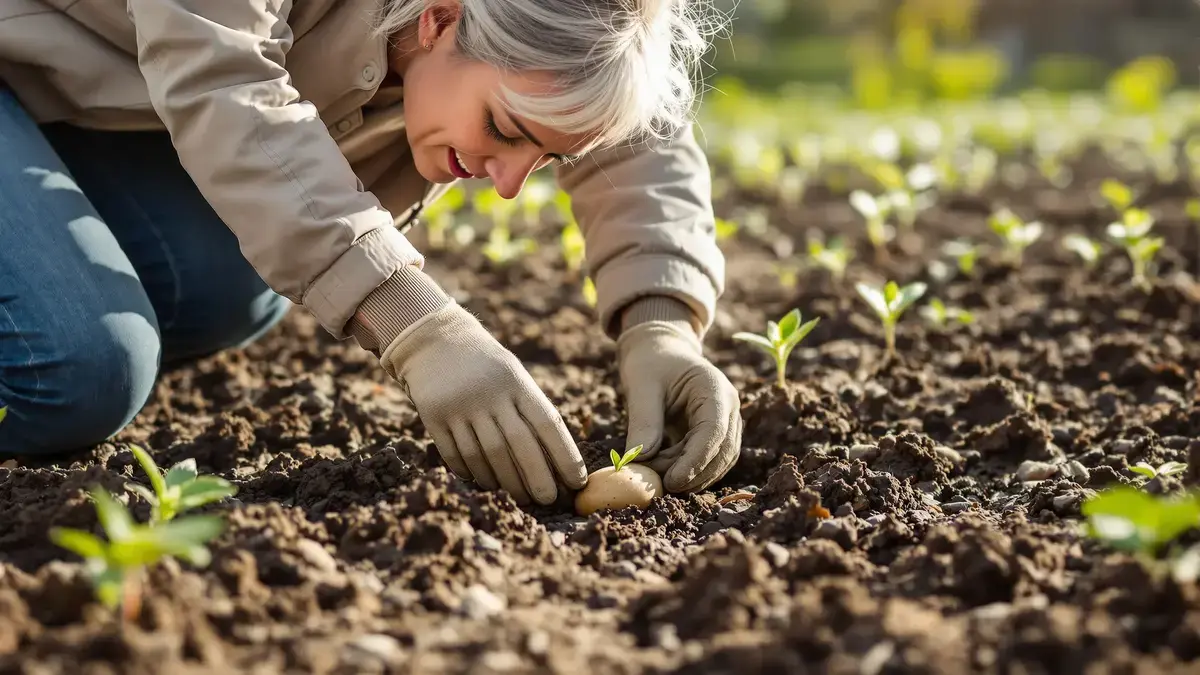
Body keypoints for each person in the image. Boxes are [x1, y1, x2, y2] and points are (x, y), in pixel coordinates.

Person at [0, 0, 743, 505]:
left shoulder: (525, 24)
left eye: (543, 158)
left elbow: (620, 106)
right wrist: (412, 321)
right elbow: (221, 77)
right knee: (76, 372)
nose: (509, 185)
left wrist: (660, 322)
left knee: (227, 282)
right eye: (504, 128)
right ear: (440, 18)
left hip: (61, 99)